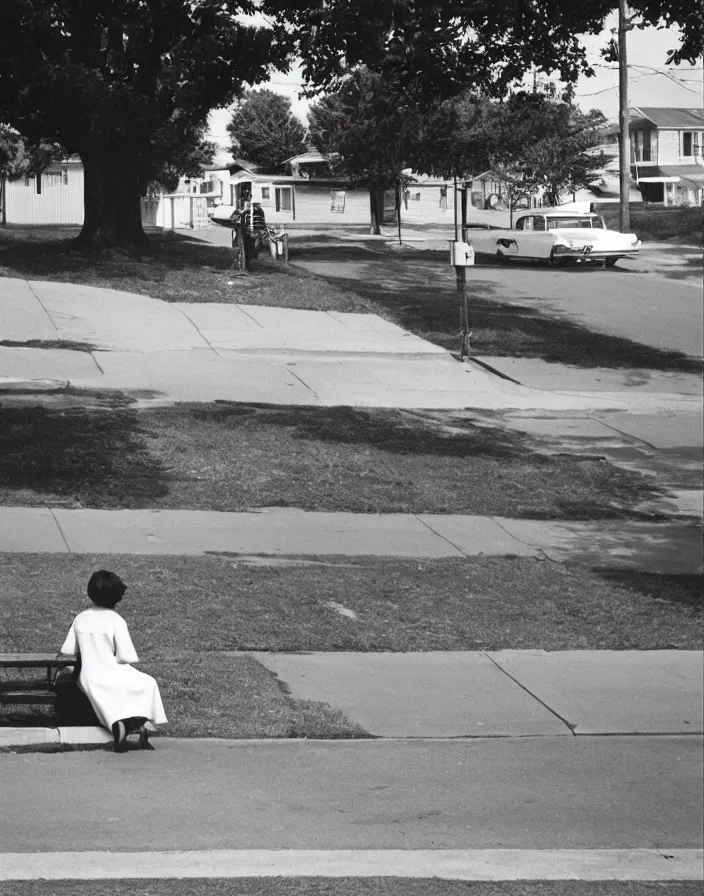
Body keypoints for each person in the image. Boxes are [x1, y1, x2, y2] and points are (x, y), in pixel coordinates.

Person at [60, 570, 167, 753]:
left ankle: (120, 723)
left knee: (107, 692)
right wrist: (114, 659)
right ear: (116, 597)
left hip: (89, 675)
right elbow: (127, 656)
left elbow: (68, 650)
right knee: (148, 683)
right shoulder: (116, 620)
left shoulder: (80, 618)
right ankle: (136, 722)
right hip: (111, 668)